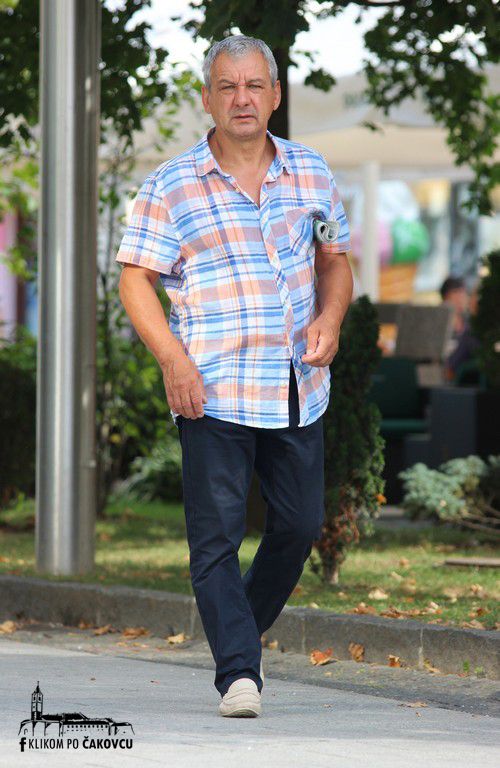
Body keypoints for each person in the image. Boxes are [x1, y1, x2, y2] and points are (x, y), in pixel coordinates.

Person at [115, 35, 353, 717]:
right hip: (211, 386)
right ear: (207, 99)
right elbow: (136, 280)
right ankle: (239, 673)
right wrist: (173, 359)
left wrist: (331, 318)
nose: (241, 98)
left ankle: (235, 631)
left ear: (275, 95)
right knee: (216, 537)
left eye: (254, 85)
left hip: (296, 383)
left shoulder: (310, 171)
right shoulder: (171, 184)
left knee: (299, 526)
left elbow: (335, 260)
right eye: (227, 86)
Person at [440, 275, 480, 381]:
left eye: (463, 294)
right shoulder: (438, 324)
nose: (461, 298)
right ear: (445, 297)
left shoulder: (469, 325)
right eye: (456, 293)